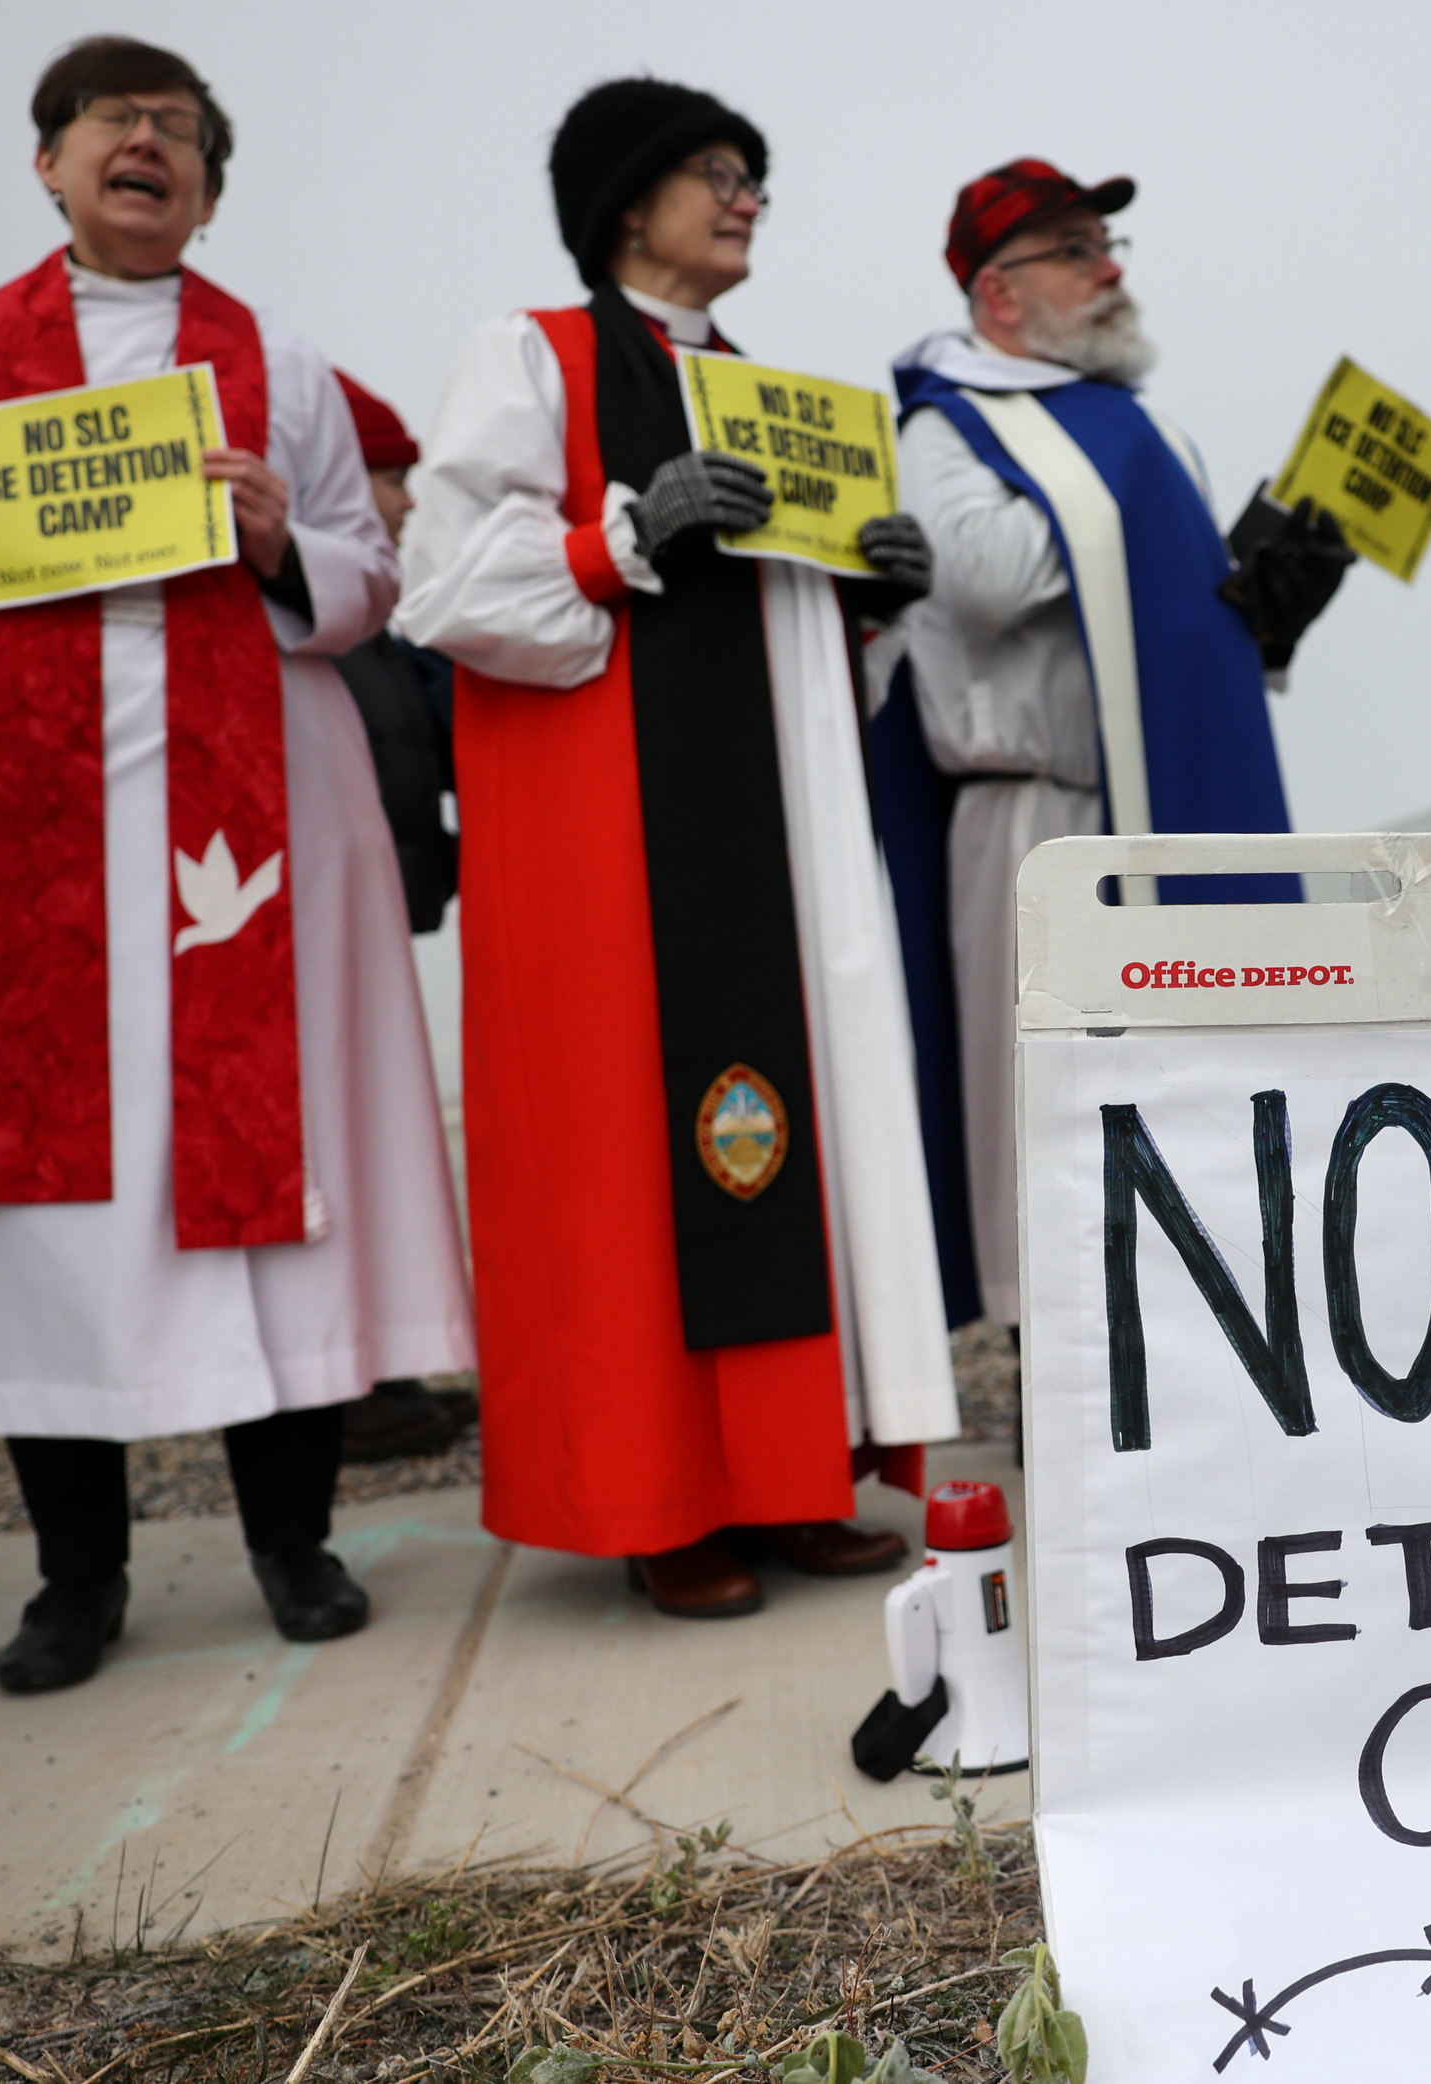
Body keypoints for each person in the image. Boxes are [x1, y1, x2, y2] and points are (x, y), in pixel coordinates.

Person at [0, 37, 475, 1693]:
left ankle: (291, 1538)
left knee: (269, 1179)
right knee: (56, 1208)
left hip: (244, 832)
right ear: (50, 162)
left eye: (177, 127)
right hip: (20, 836)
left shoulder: (284, 367)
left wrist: (280, 546)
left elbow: (375, 571)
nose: (145, 140)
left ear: (211, 188)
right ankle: (74, 1576)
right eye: (116, 118)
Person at [400, 78, 959, 1619]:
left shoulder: (777, 400)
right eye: (714, 172)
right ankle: (662, 1498)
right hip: (619, 840)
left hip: (766, 835)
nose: (745, 195)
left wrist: (869, 594)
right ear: (623, 203)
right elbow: (446, 583)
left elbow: (787, 659)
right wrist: (618, 534)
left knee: (801, 1125)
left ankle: (791, 1479)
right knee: (632, 1158)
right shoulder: (534, 354)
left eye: (754, 175)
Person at [880, 158, 1351, 1332]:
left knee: (1188, 1080)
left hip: (1163, 803)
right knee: (1045, 1092)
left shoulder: (1139, 432)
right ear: (999, 293)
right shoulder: (948, 424)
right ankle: (1060, 1349)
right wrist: (1121, 496)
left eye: (1108, 246)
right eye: (1077, 249)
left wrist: (1267, 610)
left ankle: (1206, 1329)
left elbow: (1175, 624)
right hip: (1031, 812)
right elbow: (980, 579)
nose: (1109, 272)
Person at [329, 372, 475, 1464]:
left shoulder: (381, 626)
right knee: (333, 1151)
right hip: (313, 936)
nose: (406, 500)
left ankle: (386, 1362)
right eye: (387, 475)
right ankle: (345, 1377)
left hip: (378, 922)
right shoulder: (326, 632)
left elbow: (448, 730)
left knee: (380, 1142)